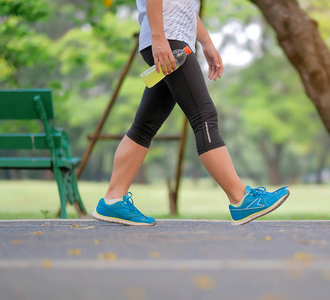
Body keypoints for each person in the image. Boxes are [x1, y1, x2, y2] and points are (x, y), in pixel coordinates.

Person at [92, 0, 290, 226]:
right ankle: (240, 198)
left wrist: (206, 43)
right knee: (203, 116)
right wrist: (159, 38)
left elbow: (184, 5)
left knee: (146, 124)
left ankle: (113, 200)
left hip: (174, 40)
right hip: (167, 40)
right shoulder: (163, 37)